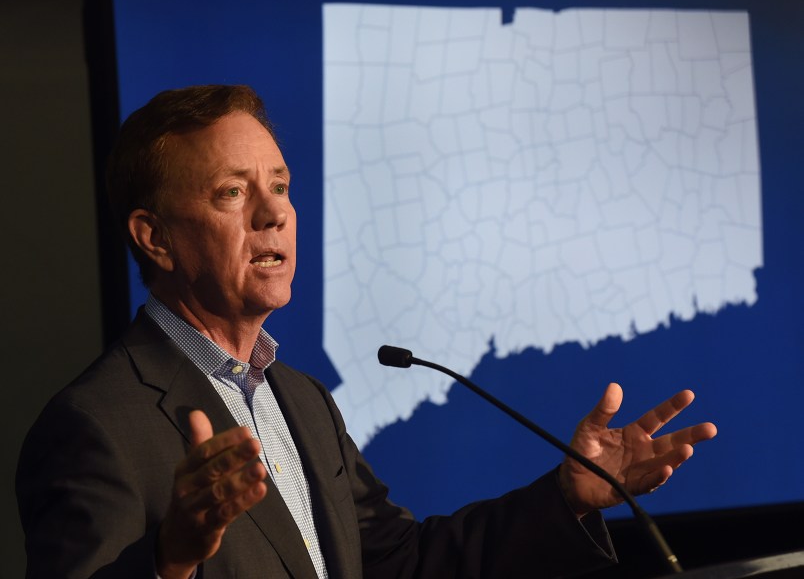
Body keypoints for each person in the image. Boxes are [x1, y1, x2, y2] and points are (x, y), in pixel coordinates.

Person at [16, 84, 717, 579]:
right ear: (154, 238)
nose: (274, 214)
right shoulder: (95, 425)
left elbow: (402, 564)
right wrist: (170, 559)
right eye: (233, 192)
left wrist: (570, 496)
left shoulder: (301, 400)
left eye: (281, 186)